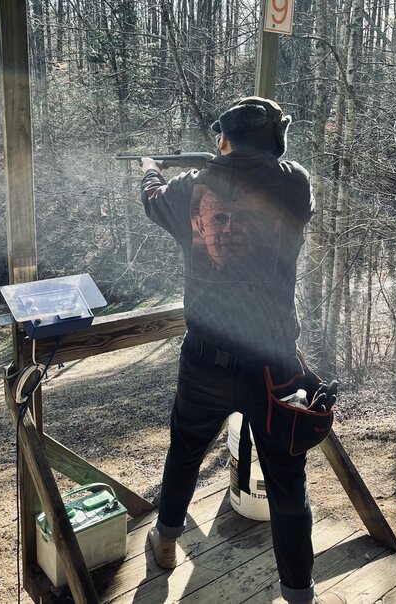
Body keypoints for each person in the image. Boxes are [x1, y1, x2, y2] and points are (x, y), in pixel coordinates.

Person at [139, 97, 346, 604]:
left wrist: (151, 169)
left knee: (185, 452)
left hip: (204, 360)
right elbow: (266, 168)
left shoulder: (191, 188)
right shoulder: (294, 183)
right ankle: (299, 594)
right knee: (286, 483)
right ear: (277, 141)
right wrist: (226, 159)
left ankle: (166, 539)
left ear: (223, 141)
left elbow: (152, 198)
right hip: (273, 365)